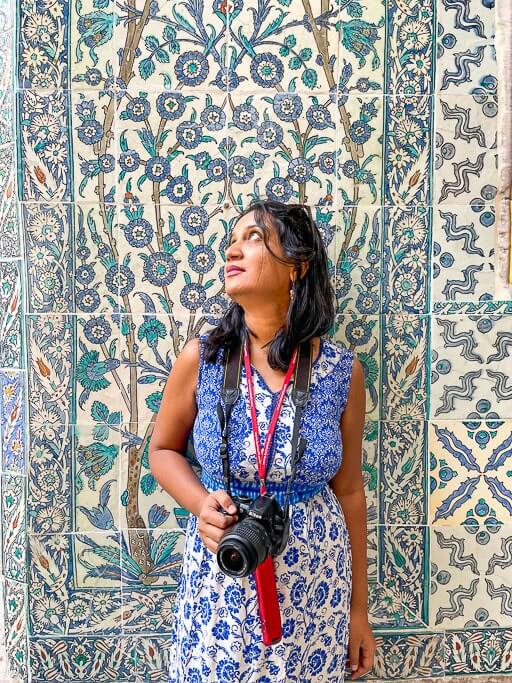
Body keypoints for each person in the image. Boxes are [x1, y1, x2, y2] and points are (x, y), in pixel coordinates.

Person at [149, 200, 376, 682]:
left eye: (253, 236)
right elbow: (162, 450)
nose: (232, 248)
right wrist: (202, 506)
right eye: (232, 238)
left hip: (317, 581)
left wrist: (360, 610)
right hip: (223, 569)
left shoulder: (342, 373)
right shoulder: (203, 358)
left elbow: (350, 489)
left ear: (297, 266)